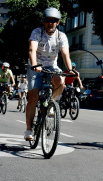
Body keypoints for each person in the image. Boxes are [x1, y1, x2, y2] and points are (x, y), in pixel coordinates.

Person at [25, 7, 76, 141]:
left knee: (61, 83)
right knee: (33, 96)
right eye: (48, 20)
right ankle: (29, 130)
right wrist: (35, 65)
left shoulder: (61, 36)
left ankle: (50, 103)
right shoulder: (37, 32)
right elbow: (32, 49)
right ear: (44, 21)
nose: (50, 23)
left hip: (52, 66)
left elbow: (65, 54)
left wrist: (70, 69)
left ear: (58, 22)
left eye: (53, 21)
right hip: (35, 66)